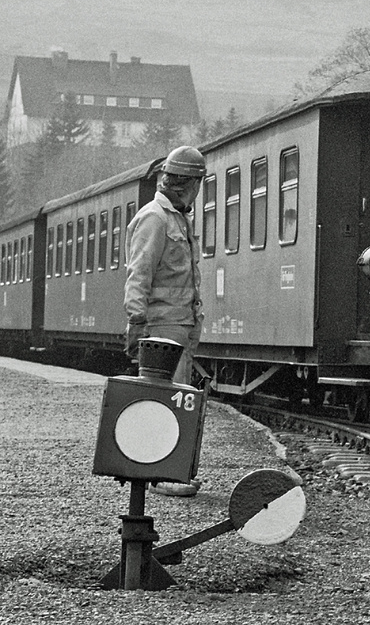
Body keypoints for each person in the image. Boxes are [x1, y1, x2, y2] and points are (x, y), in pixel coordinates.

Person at [123, 144, 206, 496]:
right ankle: (163, 476)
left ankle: (169, 471)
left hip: (180, 324)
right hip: (162, 327)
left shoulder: (177, 219)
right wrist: (136, 321)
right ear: (189, 184)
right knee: (166, 403)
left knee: (177, 401)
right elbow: (138, 273)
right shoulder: (154, 218)